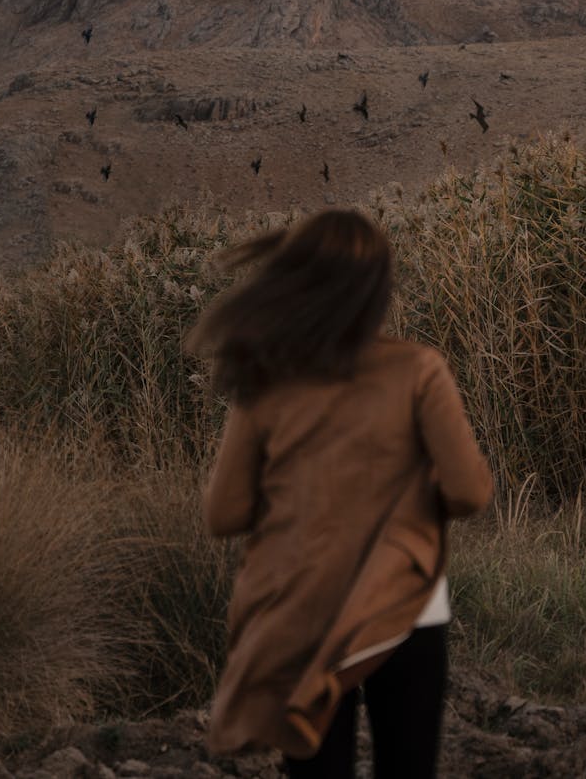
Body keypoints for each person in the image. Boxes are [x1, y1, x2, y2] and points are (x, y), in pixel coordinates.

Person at [184, 208, 493, 778]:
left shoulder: (268, 382)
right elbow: (470, 492)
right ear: (378, 288)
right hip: (407, 612)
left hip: (303, 613)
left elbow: (224, 513)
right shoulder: (418, 370)